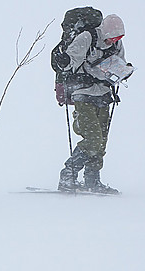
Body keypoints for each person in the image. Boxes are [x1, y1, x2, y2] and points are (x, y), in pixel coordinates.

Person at [52, 12, 131, 194]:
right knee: (93, 139)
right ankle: (68, 175)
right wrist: (64, 61)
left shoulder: (117, 44)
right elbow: (70, 61)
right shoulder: (88, 37)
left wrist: (124, 71)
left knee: (101, 142)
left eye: (119, 37)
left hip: (103, 94)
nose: (115, 40)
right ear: (106, 31)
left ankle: (92, 180)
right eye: (113, 36)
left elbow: (120, 62)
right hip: (83, 92)